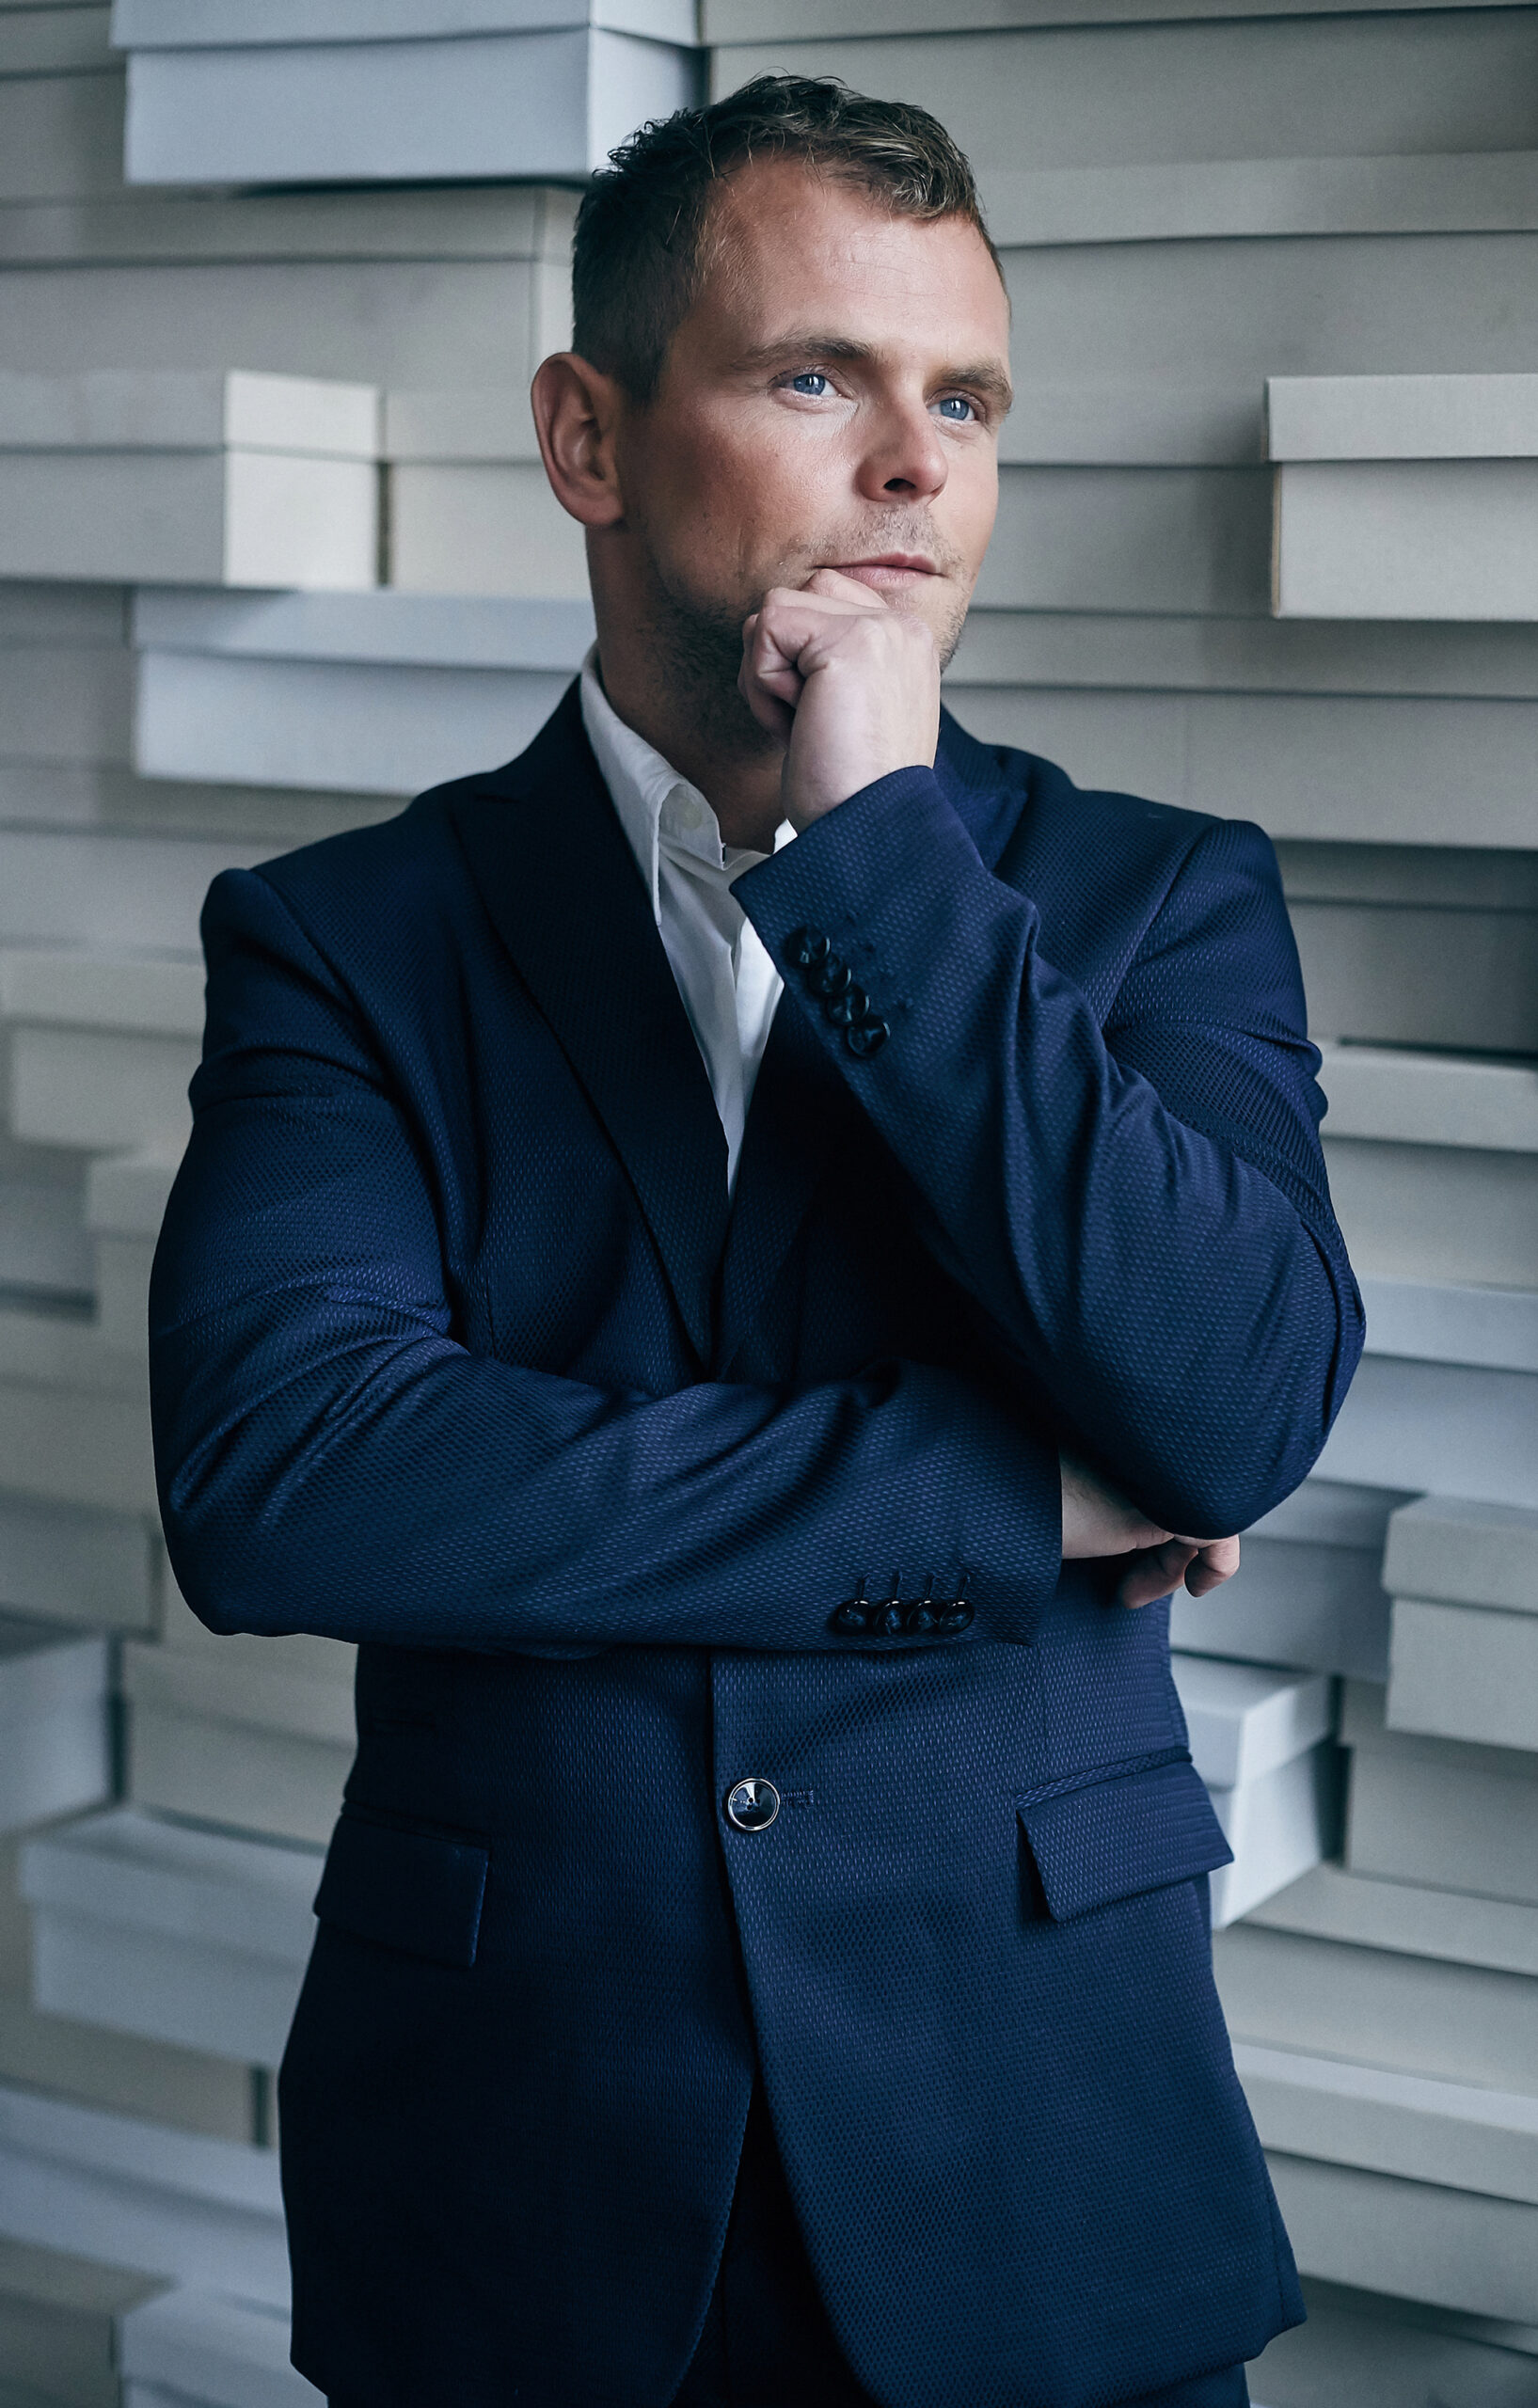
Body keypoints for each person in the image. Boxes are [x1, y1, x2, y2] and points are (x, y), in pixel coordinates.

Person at [149, 74, 1362, 2408]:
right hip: (515, 2174)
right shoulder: (340, 939)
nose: (915, 465)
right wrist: (998, 1494)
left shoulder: (1156, 897)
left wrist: (883, 845)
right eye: (818, 377)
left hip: (1036, 2153)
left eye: (966, 401)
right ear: (587, 437)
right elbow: (288, 1476)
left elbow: (1224, 1401)